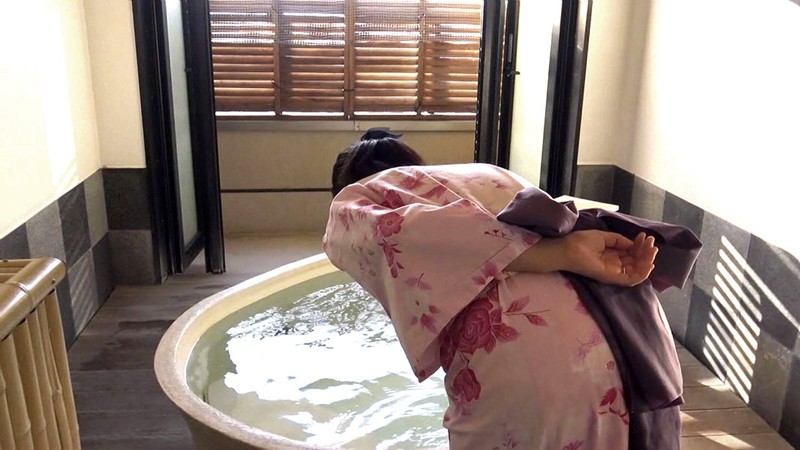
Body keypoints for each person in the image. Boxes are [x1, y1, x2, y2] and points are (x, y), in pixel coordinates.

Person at [323, 131, 681, 449]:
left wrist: (558, 253)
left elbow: (380, 235)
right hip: (636, 344)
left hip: (534, 370)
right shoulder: (488, 173)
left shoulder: (355, 201)